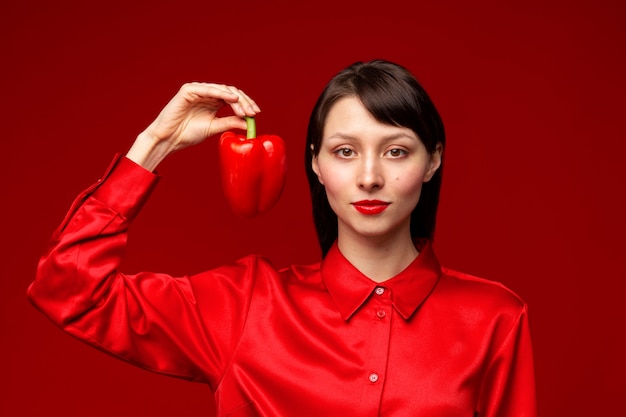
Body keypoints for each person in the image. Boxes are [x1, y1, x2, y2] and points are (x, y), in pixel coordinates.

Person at [28, 60, 536, 416]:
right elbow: (69, 290)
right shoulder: (245, 303)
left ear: (434, 160)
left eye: (397, 151)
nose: (369, 176)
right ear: (315, 163)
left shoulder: (494, 317)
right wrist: (155, 145)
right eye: (344, 151)